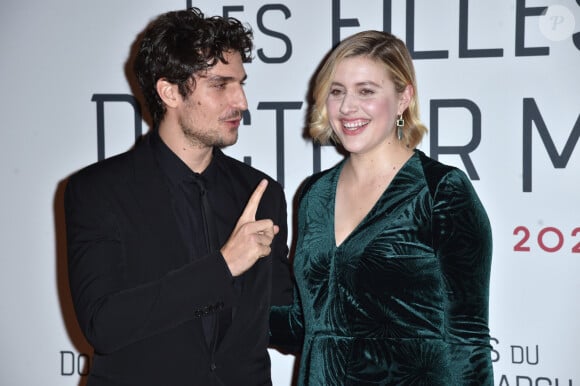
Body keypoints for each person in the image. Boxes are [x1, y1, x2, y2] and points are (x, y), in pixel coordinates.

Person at [65, 7, 292, 386]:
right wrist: (223, 266)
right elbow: (103, 325)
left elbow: (284, 320)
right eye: (220, 85)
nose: (241, 102)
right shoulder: (98, 191)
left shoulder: (261, 193)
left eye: (241, 83)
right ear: (169, 91)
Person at [270, 30, 494, 385]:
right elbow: (303, 324)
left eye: (367, 91)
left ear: (404, 97)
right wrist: (220, 293)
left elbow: (468, 341)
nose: (347, 107)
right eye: (337, 91)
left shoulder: (440, 191)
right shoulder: (314, 194)